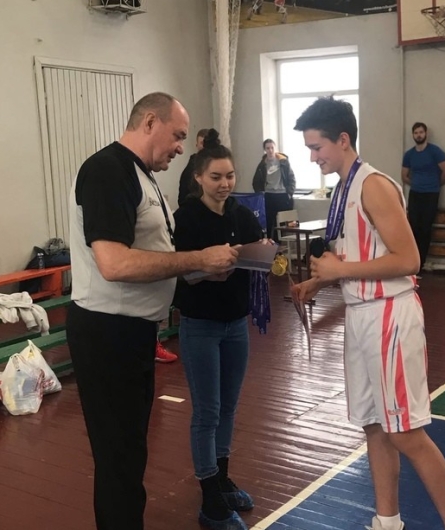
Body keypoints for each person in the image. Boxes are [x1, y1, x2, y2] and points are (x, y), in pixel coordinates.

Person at [292, 96, 445, 530]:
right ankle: (387, 521)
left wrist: (340, 271)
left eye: (317, 147)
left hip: (390, 314)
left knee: (404, 432)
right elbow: (360, 255)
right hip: (360, 314)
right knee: (374, 426)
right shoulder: (344, 187)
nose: (313, 157)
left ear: (343, 139)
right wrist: (320, 281)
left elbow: (409, 259)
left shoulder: (372, 185)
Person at [66, 92, 238, 530]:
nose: (181, 147)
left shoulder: (140, 175)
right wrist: (197, 259)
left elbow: (153, 254)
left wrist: (199, 272)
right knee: (119, 458)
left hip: (134, 332)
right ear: (148, 122)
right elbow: (115, 263)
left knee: (130, 452)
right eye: (177, 136)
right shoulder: (107, 171)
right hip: (107, 333)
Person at [173, 129, 265, 530]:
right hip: (200, 325)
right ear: (198, 177)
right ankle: (210, 497)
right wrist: (205, 270)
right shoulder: (186, 218)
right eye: (215, 177)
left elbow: (258, 257)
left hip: (235, 324)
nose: (224, 184)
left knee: (228, 407)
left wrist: (265, 255)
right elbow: (177, 271)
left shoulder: (241, 216)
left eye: (229, 176)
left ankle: (222, 478)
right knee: (207, 411)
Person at [401, 122, 445, 276]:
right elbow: (404, 175)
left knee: (425, 229)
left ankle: (420, 264)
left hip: (431, 194)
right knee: (413, 228)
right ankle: (411, 262)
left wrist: (435, 184)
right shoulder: (409, 154)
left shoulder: (435, 151)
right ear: (413, 135)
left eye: (421, 132)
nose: (418, 135)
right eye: (416, 133)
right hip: (415, 194)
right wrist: (416, 184)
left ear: (426, 134)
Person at [252, 138, 296, 240]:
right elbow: (256, 182)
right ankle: (271, 243)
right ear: (265, 150)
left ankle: (282, 243)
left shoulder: (283, 162)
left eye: (272, 148)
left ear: (275, 148)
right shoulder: (262, 164)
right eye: (268, 148)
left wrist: (289, 193)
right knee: (269, 221)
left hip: (282, 195)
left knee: (284, 223)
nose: (270, 150)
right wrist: (261, 194)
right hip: (268, 195)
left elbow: (291, 178)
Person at [178, 128, 209, 205]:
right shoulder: (190, 169)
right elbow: (183, 195)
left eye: (207, 143)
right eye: (202, 143)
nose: (205, 146)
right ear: (197, 145)